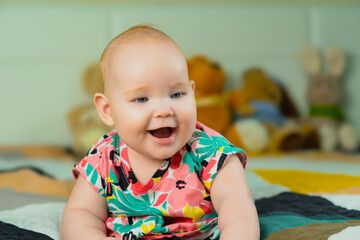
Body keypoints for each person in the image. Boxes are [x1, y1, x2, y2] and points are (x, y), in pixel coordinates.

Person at [61, 25, 259, 240]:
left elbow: (237, 203)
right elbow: (82, 213)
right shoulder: (103, 158)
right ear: (107, 110)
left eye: (176, 94)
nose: (164, 110)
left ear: (192, 93)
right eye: (141, 99)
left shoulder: (211, 151)